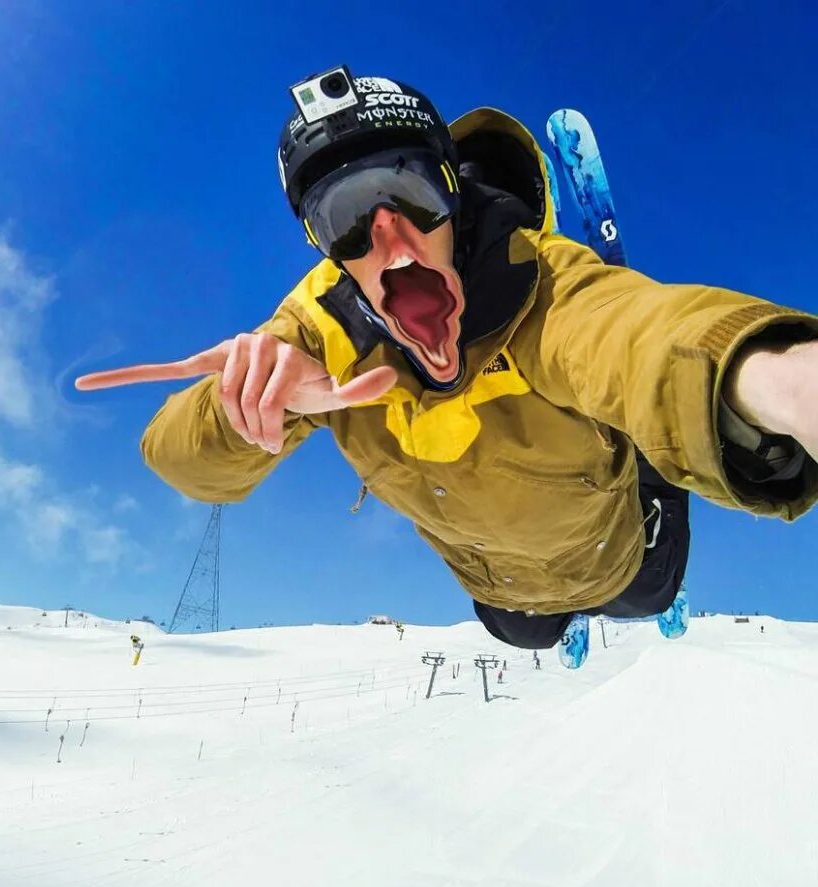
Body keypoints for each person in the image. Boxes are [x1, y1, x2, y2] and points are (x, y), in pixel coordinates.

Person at [77, 69, 818, 650]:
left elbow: (633, 335)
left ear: (454, 197)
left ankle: (648, 462)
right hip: (501, 590)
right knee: (523, 631)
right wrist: (246, 407)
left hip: (611, 550)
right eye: (345, 219)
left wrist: (775, 374)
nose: (391, 240)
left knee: (649, 584)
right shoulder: (321, 334)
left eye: (411, 192)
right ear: (324, 246)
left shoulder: (539, 283)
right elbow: (181, 461)